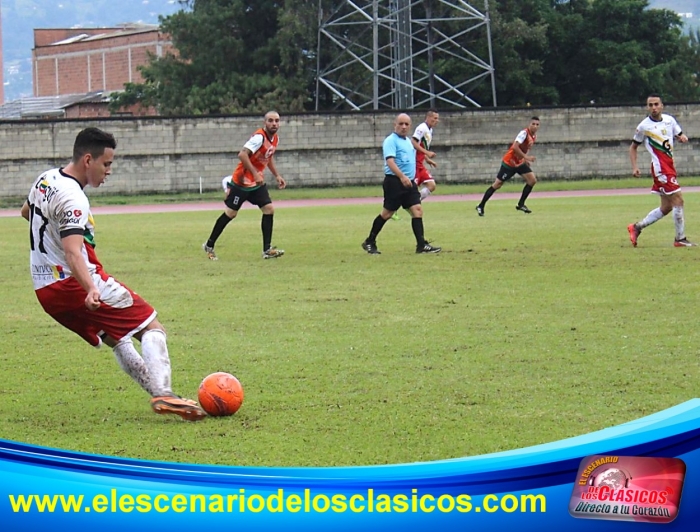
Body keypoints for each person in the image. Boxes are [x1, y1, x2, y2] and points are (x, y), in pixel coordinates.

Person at [21, 127, 205, 421]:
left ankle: (162, 397)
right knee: (151, 326)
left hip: (45, 290)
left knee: (116, 338)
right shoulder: (74, 199)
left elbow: (26, 212)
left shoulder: (45, 179)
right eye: (106, 164)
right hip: (75, 283)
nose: (109, 171)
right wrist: (91, 288)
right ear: (88, 160)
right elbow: (72, 252)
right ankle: (164, 392)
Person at [203, 111, 286, 260]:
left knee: (269, 209)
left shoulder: (275, 139)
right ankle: (209, 245)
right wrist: (254, 173)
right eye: (271, 121)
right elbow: (242, 154)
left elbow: (268, 157)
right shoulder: (259, 137)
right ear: (265, 123)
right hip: (241, 182)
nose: (274, 123)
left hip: (256, 183)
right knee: (231, 214)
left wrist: (277, 175)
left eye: (277, 121)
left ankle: (267, 250)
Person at [361, 113, 441, 255]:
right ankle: (369, 241)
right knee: (387, 213)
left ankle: (421, 245)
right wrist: (401, 176)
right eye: (401, 124)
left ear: (410, 126)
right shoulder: (391, 141)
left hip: (409, 183)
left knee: (417, 210)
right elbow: (390, 161)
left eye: (406, 124)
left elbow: (413, 157)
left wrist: (427, 160)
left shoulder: (408, 142)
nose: (403, 127)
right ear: (395, 125)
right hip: (394, 182)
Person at [627, 94, 694, 247]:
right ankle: (680, 239)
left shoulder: (670, 120)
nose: (653, 108)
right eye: (650, 105)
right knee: (678, 200)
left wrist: (682, 137)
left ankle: (636, 227)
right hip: (660, 168)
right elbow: (633, 147)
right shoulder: (644, 126)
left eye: (656, 104)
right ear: (647, 107)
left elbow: (678, 133)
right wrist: (635, 167)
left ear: (662, 105)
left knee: (667, 206)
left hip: (670, 165)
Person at [476, 116, 540, 216]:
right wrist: (526, 157)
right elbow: (515, 147)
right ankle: (481, 205)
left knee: (532, 180)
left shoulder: (534, 136)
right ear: (529, 124)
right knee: (497, 185)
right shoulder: (524, 133)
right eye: (533, 124)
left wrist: (523, 159)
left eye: (537, 124)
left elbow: (524, 149)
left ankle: (521, 204)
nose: (535, 126)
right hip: (509, 163)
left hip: (519, 163)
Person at [412, 108, 440, 202]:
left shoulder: (430, 130)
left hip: (420, 164)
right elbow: (414, 142)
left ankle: (414, 201)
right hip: (413, 164)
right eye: (434, 118)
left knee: (431, 185)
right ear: (428, 117)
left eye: (437, 119)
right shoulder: (421, 128)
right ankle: (394, 208)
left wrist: (427, 159)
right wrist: (427, 153)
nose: (436, 121)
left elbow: (421, 146)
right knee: (410, 189)